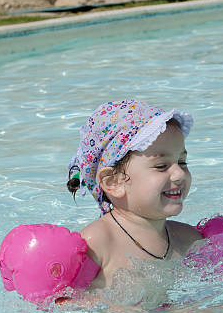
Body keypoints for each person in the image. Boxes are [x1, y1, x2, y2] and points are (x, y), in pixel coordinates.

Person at [67, 99, 202, 289]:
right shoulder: (97, 244)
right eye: (161, 166)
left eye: (182, 162)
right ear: (113, 182)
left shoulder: (189, 239)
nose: (179, 174)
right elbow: (67, 301)